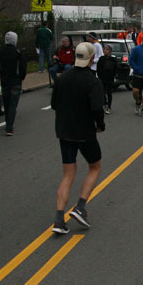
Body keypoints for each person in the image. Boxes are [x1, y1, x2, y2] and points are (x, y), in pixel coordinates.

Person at [50, 42, 105, 234]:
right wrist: (100, 125)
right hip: (85, 133)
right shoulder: (92, 81)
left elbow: (54, 104)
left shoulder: (62, 78)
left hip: (64, 132)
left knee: (68, 174)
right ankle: (81, 206)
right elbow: (98, 108)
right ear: (91, 59)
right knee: (95, 166)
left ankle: (59, 220)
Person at [0, 31, 27, 136]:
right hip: (15, 82)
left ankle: (7, 123)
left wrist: (0, 74)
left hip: (4, 82)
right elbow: (23, 67)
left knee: (6, 103)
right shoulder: (18, 52)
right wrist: (21, 78)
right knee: (13, 105)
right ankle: (9, 127)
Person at [96, 44, 119, 114]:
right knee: (102, 92)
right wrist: (99, 76)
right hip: (102, 78)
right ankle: (104, 104)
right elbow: (99, 68)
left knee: (109, 93)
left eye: (106, 49)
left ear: (110, 51)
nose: (105, 50)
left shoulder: (113, 59)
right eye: (104, 49)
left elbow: (115, 69)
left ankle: (109, 106)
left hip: (110, 79)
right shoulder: (101, 58)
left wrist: (113, 76)